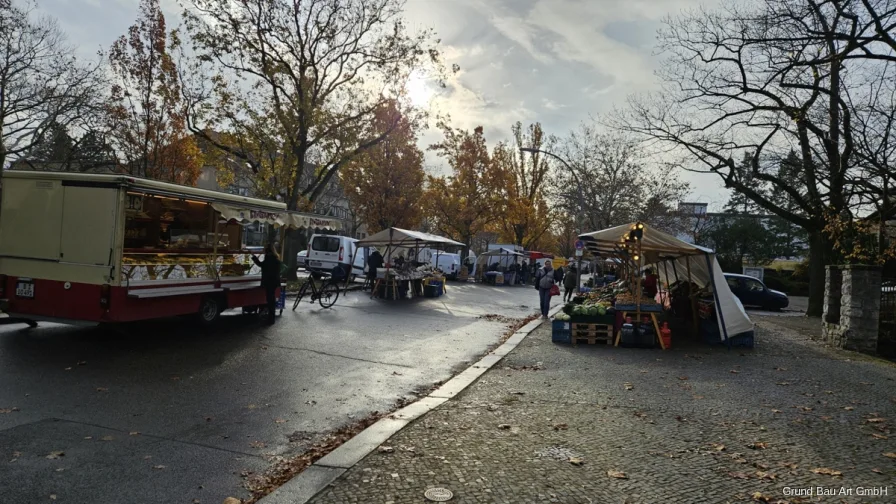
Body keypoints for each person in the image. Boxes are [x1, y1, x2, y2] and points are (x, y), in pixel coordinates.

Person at [252, 243, 281, 324]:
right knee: (271, 299)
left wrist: (254, 258)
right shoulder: (275, 258)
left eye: (265, 249)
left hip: (269, 282)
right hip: (274, 282)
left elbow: (262, 265)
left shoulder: (269, 258)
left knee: (270, 300)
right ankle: (271, 318)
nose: (264, 251)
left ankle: (271, 319)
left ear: (267, 250)